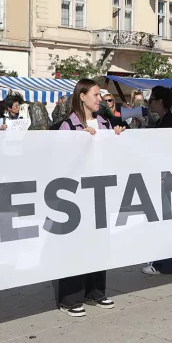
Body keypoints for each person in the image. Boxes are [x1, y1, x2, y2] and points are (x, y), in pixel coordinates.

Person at [54, 79, 123, 317]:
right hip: (75, 195)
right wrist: (77, 142)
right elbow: (59, 161)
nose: (99, 99)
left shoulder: (105, 123)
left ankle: (95, 290)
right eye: (95, 94)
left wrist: (117, 136)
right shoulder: (68, 126)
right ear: (82, 96)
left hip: (100, 191)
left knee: (99, 242)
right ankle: (69, 298)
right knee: (75, 245)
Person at [142, 86, 172, 276]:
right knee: (166, 219)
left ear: (159, 102)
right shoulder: (165, 121)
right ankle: (165, 262)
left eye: (151, 99)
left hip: (166, 178)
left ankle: (164, 264)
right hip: (167, 177)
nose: (149, 103)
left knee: (165, 220)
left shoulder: (168, 122)